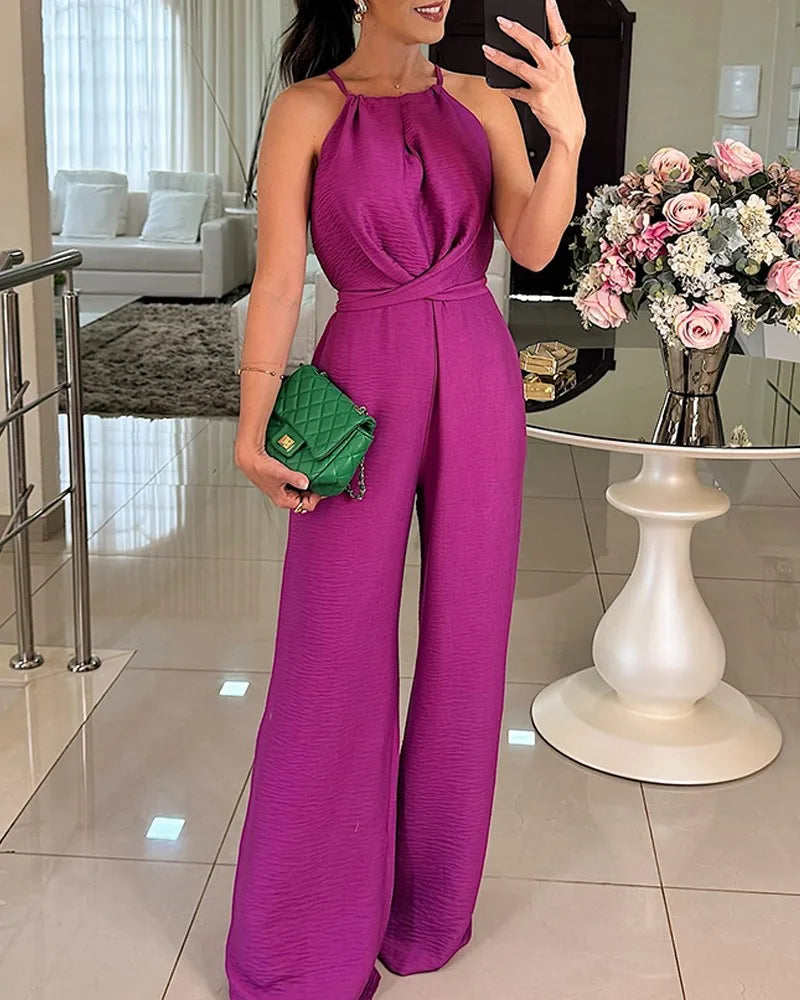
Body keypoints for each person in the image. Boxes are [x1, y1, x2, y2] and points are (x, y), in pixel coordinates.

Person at [226, 1, 585, 997]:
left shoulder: (480, 100)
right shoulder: (308, 109)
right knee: (330, 648)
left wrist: (565, 138)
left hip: (476, 373)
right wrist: (251, 422)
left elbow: (532, 243)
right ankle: (304, 937)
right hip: (359, 381)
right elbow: (280, 278)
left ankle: (428, 910)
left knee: (468, 646)